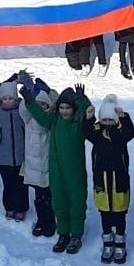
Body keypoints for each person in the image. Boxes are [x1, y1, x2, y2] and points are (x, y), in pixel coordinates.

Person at [20, 76, 89, 255]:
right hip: (56, 172)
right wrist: (29, 100)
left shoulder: (78, 125)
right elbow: (40, 116)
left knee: (76, 203)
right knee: (59, 202)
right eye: (62, 107)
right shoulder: (54, 122)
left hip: (74, 173)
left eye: (68, 108)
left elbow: (86, 113)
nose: (65, 111)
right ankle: (63, 233)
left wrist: (82, 100)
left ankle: (76, 235)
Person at [86, 95, 134, 265]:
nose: (107, 122)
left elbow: (130, 133)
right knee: (104, 211)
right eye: (103, 119)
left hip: (119, 178)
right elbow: (87, 132)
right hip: (102, 178)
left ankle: (120, 240)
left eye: (110, 119)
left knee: (120, 212)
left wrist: (123, 117)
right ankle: (107, 240)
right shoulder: (97, 132)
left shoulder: (120, 133)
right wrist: (90, 118)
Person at [0, 73, 29, 221]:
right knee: (8, 184)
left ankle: (21, 208)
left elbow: (33, 101)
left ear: (16, 98)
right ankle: (10, 207)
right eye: (5, 99)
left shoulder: (22, 111)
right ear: (1, 99)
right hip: (4, 157)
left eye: (11, 98)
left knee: (21, 185)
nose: (8, 101)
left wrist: (26, 82)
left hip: (20, 157)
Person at [20, 76, 56, 237]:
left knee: (48, 199)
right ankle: (41, 222)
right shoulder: (28, 119)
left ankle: (49, 223)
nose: (40, 107)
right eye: (37, 104)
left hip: (46, 167)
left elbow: (56, 104)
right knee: (39, 199)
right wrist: (27, 97)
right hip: (33, 168)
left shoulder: (50, 120)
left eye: (44, 104)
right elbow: (24, 109)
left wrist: (51, 93)